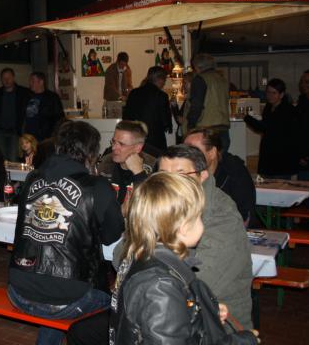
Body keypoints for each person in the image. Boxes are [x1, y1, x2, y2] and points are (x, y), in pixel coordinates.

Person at [8, 120, 125, 345]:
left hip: (18, 291)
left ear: (58, 146)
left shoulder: (32, 179)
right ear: (91, 153)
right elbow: (112, 235)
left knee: (56, 294)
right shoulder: (97, 186)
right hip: (69, 299)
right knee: (118, 304)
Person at [108, 172, 258, 345]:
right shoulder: (161, 286)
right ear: (184, 228)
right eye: (199, 217)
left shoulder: (144, 256)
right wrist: (241, 341)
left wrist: (201, 313)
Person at [158, 145, 253, 329]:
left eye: (181, 174)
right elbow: (122, 255)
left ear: (202, 176)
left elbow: (198, 284)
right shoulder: (161, 206)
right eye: (163, 175)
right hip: (170, 313)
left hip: (219, 325)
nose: (170, 183)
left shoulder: (223, 216)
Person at [185, 128, 256, 225]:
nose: (185, 156)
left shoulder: (234, 172)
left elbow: (244, 215)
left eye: (193, 151)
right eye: (184, 150)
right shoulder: (185, 174)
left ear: (212, 153)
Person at [244, 78, 298, 178]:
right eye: (268, 92)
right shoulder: (268, 107)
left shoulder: (288, 110)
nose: (270, 95)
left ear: (281, 95)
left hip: (282, 158)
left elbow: (266, 128)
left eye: (274, 93)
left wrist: (246, 117)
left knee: (280, 185)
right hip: (268, 156)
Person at [96, 121, 156, 206]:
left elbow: (154, 205)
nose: (113, 148)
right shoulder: (105, 164)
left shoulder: (153, 166)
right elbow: (99, 205)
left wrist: (139, 173)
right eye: (113, 142)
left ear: (138, 148)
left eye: (121, 144)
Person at [188, 53, 231, 153]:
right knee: (221, 158)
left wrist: (191, 124)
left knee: (204, 159)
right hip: (223, 127)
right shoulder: (223, 80)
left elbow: (197, 105)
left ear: (197, 66)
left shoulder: (199, 79)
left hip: (206, 128)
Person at [0, 67, 31, 161]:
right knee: (1, 159)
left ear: (13, 78)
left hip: (15, 132)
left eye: (8, 78)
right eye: (4, 78)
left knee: (13, 158)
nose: (6, 80)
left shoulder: (23, 93)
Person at [123, 66, 172, 152]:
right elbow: (165, 122)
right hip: (155, 140)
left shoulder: (133, 93)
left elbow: (126, 116)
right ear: (160, 79)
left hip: (136, 138)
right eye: (164, 80)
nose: (164, 83)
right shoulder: (162, 96)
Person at [23, 71, 65, 142]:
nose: (30, 83)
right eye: (30, 81)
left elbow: (59, 118)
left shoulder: (52, 97)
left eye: (33, 81)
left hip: (45, 137)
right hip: (29, 137)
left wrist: (53, 135)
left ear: (41, 82)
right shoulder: (27, 96)